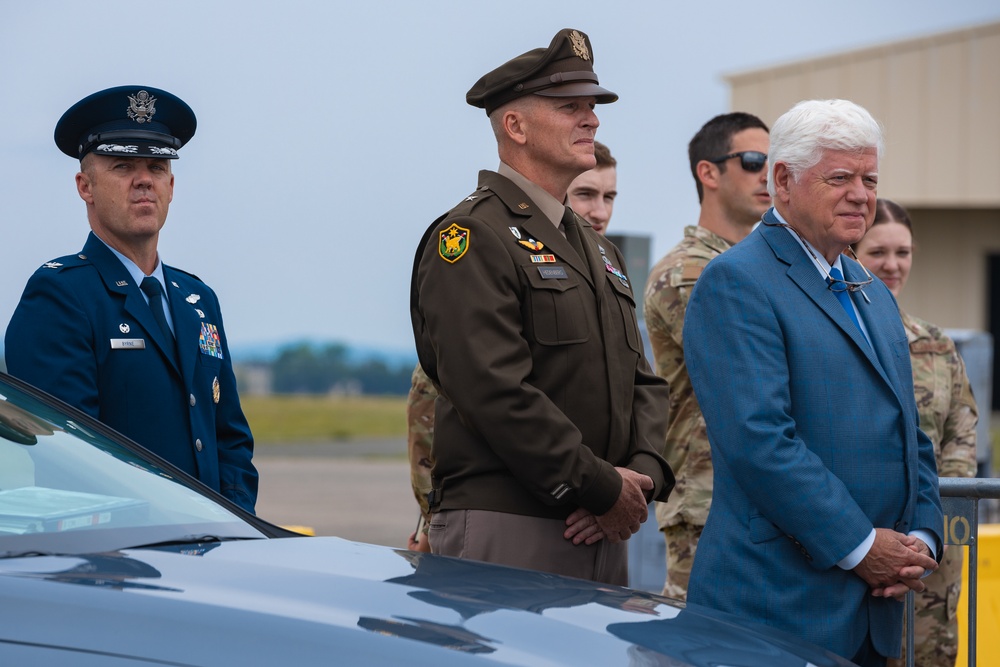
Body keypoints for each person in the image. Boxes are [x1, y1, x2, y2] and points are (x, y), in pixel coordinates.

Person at [681, 99, 942, 666]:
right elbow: (760, 442)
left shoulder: (867, 287)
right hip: (777, 611)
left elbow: (908, 430)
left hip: (876, 608)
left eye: (870, 178)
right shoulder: (736, 283)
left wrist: (919, 539)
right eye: (840, 177)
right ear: (783, 181)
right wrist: (860, 547)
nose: (861, 194)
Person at [409, 29, 674, 585]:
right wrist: (600, 486)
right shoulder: (472, 235)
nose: (592, 120)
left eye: (593, 107)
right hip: (511, 523)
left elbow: (642, 383)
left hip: (604, 525)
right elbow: (494, 389)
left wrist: (642, 476)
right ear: (516, 126)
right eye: (570, 106)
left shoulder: (598, 248)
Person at [4, 86, 257, 513]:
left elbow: (229, 440)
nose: (144, 180)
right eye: (123, 166)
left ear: (171, 186)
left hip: (211, 548)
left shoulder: (198, 300)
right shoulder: (61, 296)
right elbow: (71, 457)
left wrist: (234, 524)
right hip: (118, 558)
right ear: (85, 186)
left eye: (157, 167)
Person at [407, 141, 619, 552]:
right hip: (511, 520)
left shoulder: (606, 269)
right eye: (585, 195)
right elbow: (433, 453)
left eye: (609, 196)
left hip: (595, 523)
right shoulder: (483, 241)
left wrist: (624, 488)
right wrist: (433, 530)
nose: (600, 212)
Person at [643, 112, 770, 599]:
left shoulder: (758, 268)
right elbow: (757, 368)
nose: (768, 175)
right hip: (710, 507)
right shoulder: (687, 273)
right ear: (709, 173)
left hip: (762, 504)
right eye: (753, 160)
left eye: (773, 162)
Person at [853, 199, 978, 667]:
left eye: (902, 252)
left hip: (931, 552)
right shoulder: (837, 333)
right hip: (861, 546)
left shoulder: (935, 343)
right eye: (877, 252)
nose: (892, 265)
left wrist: (928, 533)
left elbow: (961, 434)